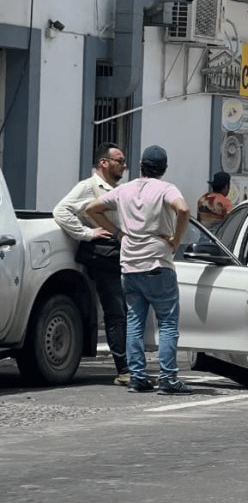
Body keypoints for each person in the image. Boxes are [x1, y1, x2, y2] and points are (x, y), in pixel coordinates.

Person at [86, 145, 192, 395]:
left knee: (134, 322)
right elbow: (184, 209)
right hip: (157, 263)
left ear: (141, 166)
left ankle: (137, 377)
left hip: (129, 265)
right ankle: (168, 379)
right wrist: (176, 240)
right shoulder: (166, 188)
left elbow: (91, 209)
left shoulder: (124, 189)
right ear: (164, 169)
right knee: (166, 323)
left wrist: (118, 233)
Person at [52, 143, 130, 386]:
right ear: (104, 163)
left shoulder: (115, 188)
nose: (124, 165)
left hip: (120, 256)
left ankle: (129, 365)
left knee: (124, 313)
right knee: (116, 312)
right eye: (119, 160)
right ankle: (124, 369)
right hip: (104, 258)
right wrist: (86, 233)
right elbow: (61, 211)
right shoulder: (88, 187)